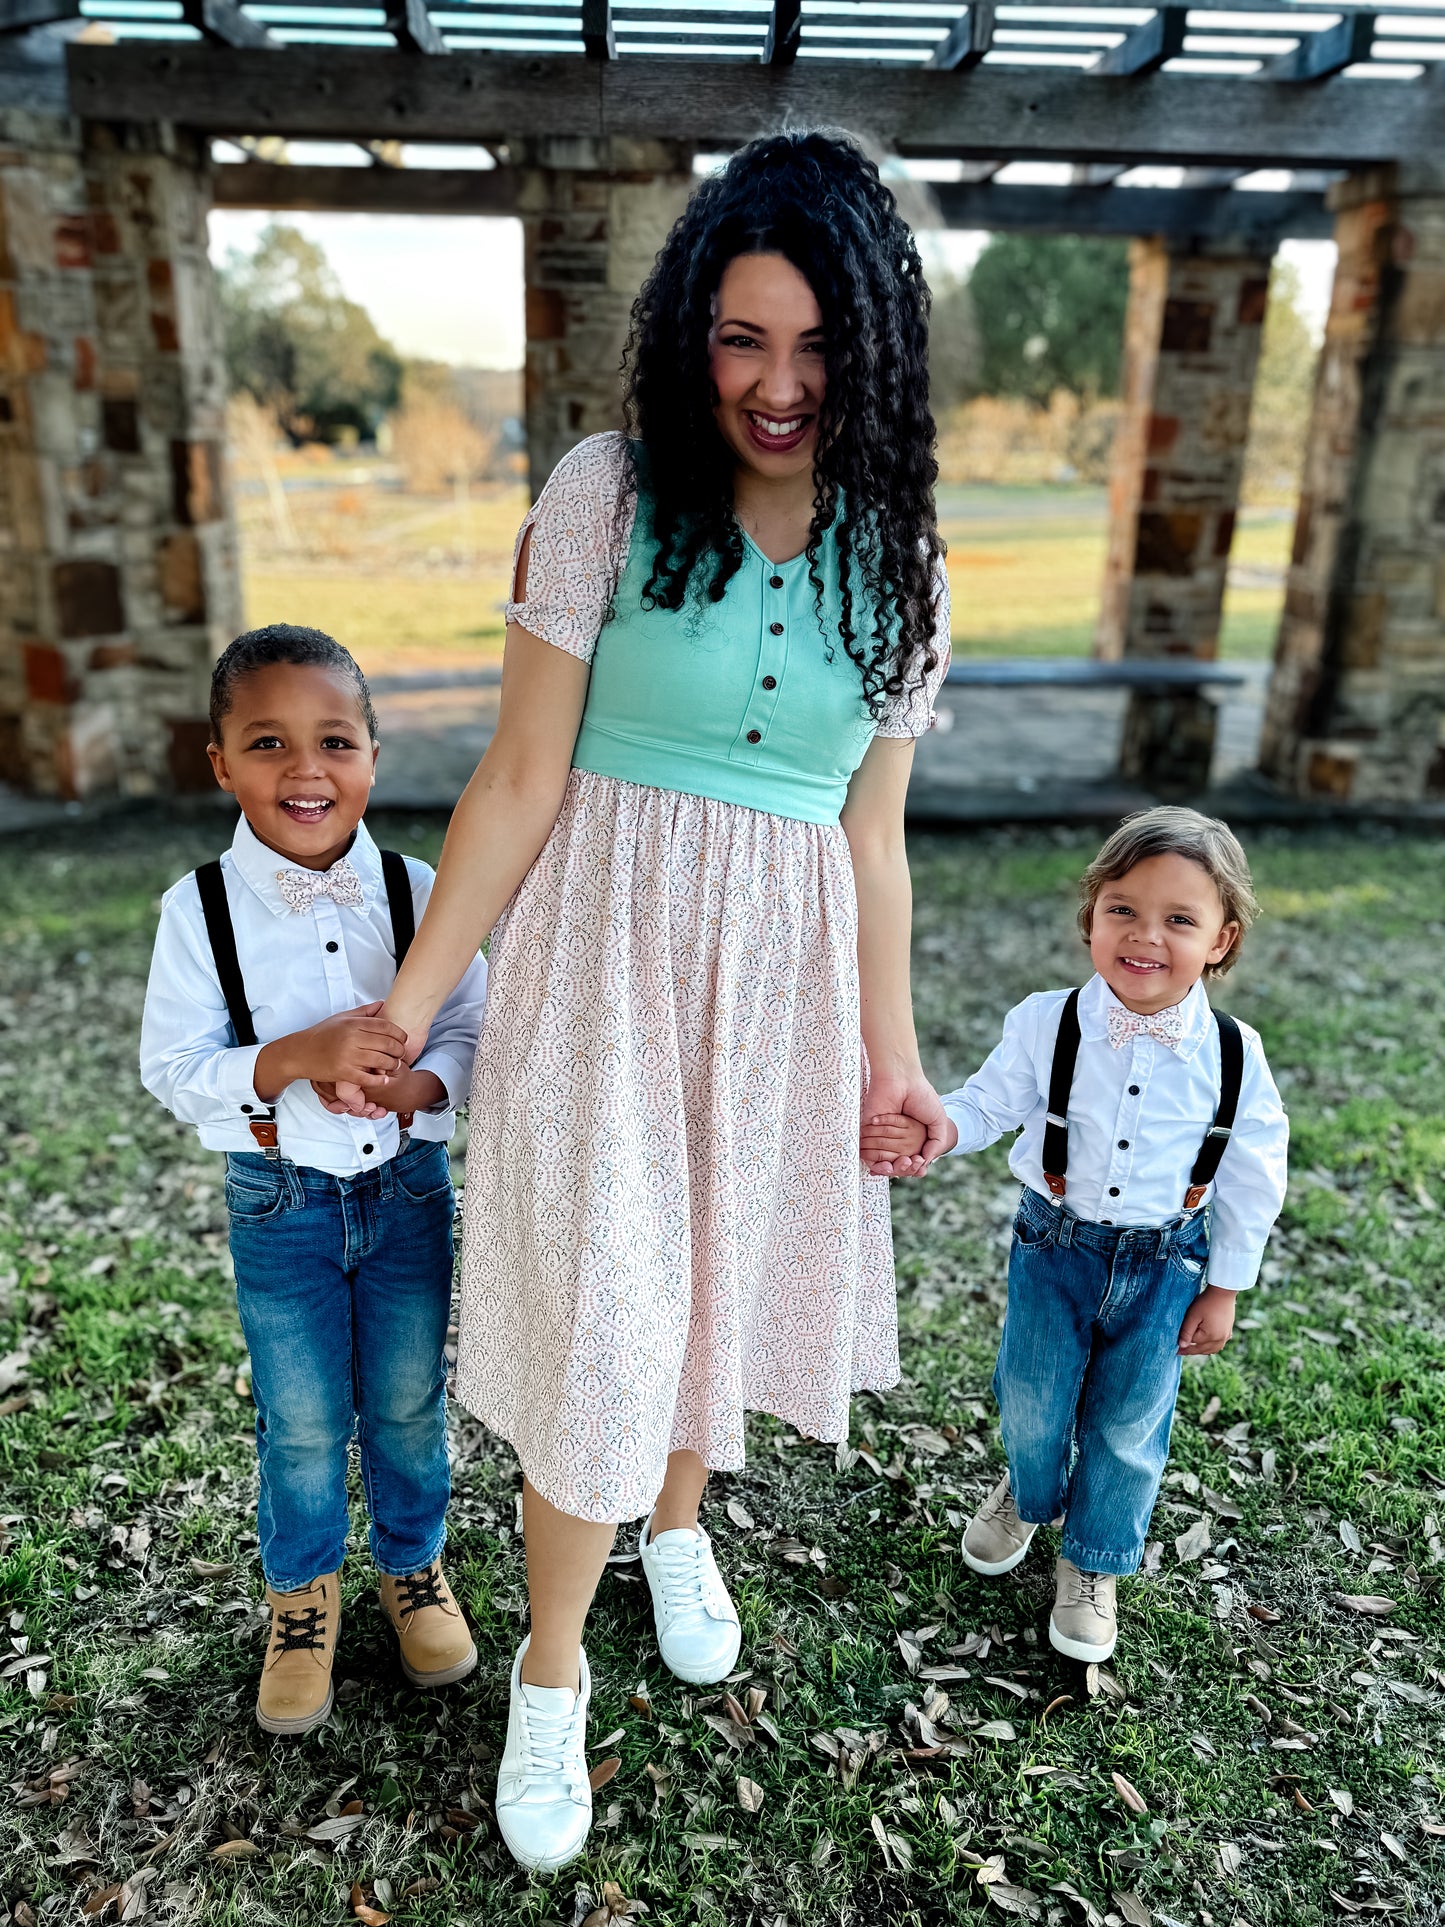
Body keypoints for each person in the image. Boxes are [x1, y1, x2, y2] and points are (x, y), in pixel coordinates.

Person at [327, 132, 953, 1867]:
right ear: (692, 334)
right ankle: (550, 1674)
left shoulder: (905, 557)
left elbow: (874, 840)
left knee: (714, 1278)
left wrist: (886, 1062)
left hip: (784, 988)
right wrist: (413, 1002)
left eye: (816, 348)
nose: (775, 384)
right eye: (742, 339)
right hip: (605, 962)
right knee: (611, 1310)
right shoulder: (608, 492)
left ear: (874, 352)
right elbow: (523, 776)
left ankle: (680, 1526)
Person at [140, 625, 487, 1735]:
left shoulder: (419, 886)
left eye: (334, 740)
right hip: (277, 1203)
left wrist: (416, 1090)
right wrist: (297, 1056)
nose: (305, 769)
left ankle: (413, 1566)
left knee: (404, 1398)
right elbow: (175, 1070)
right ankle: (302, 1599)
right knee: (297, 1419)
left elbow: (476, 1029)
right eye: (267, 742)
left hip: (407, 1196)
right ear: (220, 762)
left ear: (374, 755)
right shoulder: (196, 909)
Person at [861, 806, 1288, 1664]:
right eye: (1122, 908)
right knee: (1031, 1397)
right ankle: (1027, 1490)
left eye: (1178, 919)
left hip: (1166, 1262)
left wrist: (1226, 1283)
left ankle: (1092, 1561)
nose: (1144, 934)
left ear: (1221, 939)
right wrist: (941, 1125)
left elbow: (1252, 1174)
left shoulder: (1235, 1055)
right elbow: (990, 1101)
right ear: (1089, 915)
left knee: (1129, 1421)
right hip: (1053, 1247)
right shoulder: (1045, 1020)